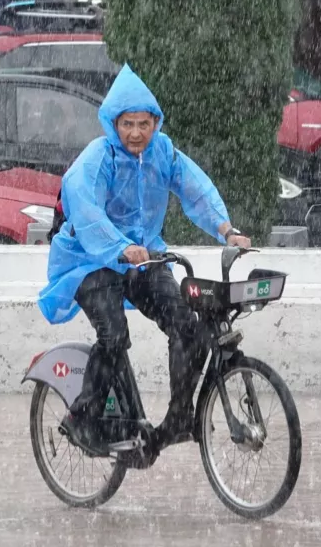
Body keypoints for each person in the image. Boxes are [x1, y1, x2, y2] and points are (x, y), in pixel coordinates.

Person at [37, 64, 250, 454]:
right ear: (113, 123)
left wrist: (226, 230)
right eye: (127, 124)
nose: (136, 133)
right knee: (114, 336)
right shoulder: (98, 157)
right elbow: (85, 209)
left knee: (187, 325)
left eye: (144, 124)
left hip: (142, 259)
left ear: (156, 123)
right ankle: (81, 418)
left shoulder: (163, 152)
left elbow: (196, 189)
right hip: (89, 260)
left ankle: (178, 420)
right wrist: (118, 246)